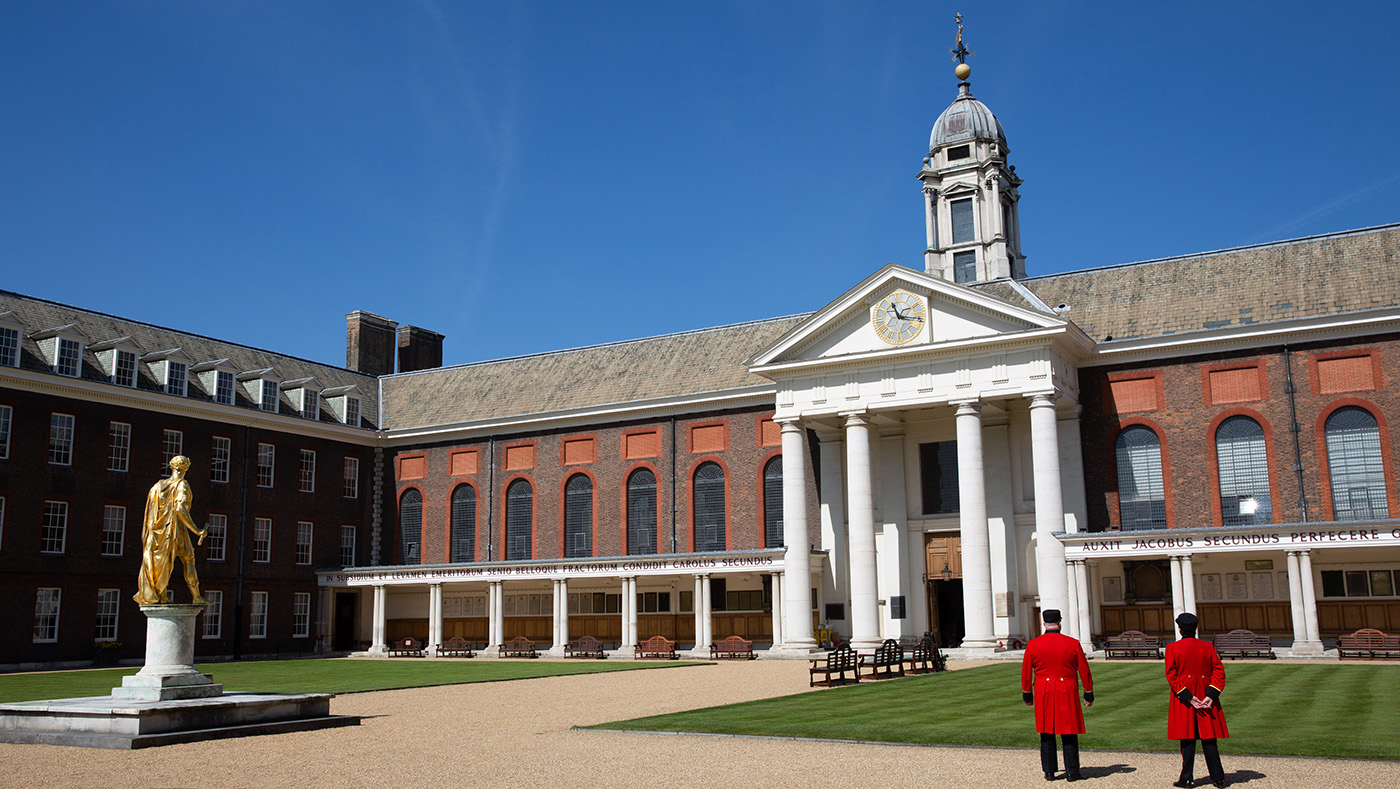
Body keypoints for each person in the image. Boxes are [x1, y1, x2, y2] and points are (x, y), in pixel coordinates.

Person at [1021, 609, 1093, 781]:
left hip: (1043, 690)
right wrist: (1088, 692)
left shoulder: (1033, 644)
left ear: (1044, 623)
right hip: (1066, 689)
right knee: (1068, 732)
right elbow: (1084, 670)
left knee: (1046, 732)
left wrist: (1027, 693)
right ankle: (1072, 772)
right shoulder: (1073, 643)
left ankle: (1049, 771)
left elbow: (1025, 673)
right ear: (1059, 623)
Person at [1165, 612, 1229, 788]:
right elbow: (1219, 671)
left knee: (1187, 739)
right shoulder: (1207, 647)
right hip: (1205, 693)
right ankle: (1218, 777)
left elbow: (1171, 676)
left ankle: (1186, 778)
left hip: (1185, 697)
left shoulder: (1172, 648)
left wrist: (1189, 697)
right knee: (1209, 739)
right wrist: (1210, 695)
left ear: (1180, 629)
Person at [134, 455, 208, 605]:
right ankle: (196, 596)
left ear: (171, 467)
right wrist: (197, 530)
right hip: (176, 530)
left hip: (156, 532)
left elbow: (150, 514)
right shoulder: (182, 484)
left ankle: (163, 596)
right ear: (186, 468)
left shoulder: (157, 486)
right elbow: (180, 508)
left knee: (161, 563)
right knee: (189, 559)